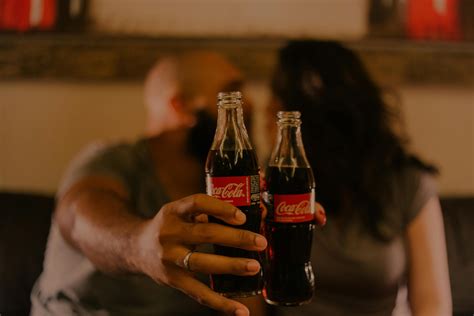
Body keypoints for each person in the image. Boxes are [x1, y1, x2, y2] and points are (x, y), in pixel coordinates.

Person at [31, 51, 269, 316]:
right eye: (231, 93)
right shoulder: (111, 160)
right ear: (180, 106)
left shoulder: (227, 186)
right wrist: (140, 246)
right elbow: (78, 219)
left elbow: (245, 303)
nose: (249, 104)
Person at [268, 41, 452, 316]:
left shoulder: (408, 183)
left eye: (279, 99)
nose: (267, 108)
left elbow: (433, 306)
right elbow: (248, 303)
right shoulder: (273, 186)